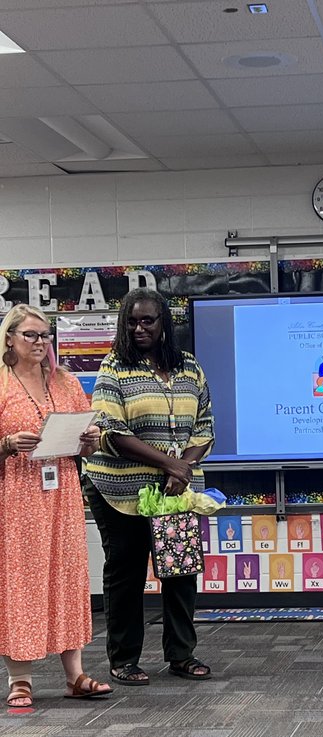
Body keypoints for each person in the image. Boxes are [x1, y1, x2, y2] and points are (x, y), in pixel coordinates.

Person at [85, 288, 215, 686]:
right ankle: (123, 659)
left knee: (180, 572)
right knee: (125, 573)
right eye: (132, 321)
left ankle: (181, 655)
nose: (139, 328)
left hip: (176, 492)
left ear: (164, 324)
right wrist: (170, 463)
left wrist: (183, 469)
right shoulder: (114, 369)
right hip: (119, 490)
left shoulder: (190, 369)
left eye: (148, 321)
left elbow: (205, 427)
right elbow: (112, 432)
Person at [0, 304, 112, 707]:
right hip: (16, 494)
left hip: (61, 490)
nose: (40, 342)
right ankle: (21, 679)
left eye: (45, 335)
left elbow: (82, 435)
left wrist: (90, 439)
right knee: (22, 580)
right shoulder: (1, 384)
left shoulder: (64, 381)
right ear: (9, 337)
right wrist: (8, 444)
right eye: (31, 335)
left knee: (66, 575)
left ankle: (75, 675)